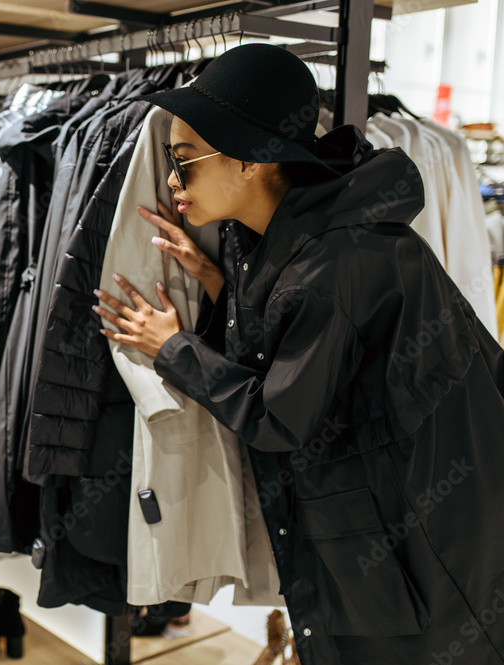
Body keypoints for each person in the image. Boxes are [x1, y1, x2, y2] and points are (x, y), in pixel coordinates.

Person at [95, 44, 504, 665]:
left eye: (184, 164)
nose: (173, 182)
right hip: (395, 522)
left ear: (249, 160)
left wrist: (171, 347)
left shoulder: (336, 259)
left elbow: (279, 416)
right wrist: (216, 283)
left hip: (421, 536)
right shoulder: (290, 234)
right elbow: (304, 347)